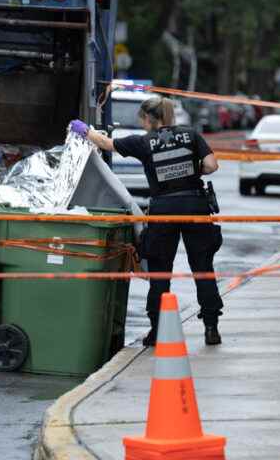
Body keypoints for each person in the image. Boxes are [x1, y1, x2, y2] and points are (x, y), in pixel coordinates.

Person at [69, 97, 224, 346]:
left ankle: (157, 331)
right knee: (203, 269)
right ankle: (211, 328)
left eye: (142, 120)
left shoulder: (144, 142)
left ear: (149, 120)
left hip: (163, 209)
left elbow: (105, 144)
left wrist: (84, 130)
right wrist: (195, 172)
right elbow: (211, 165)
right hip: (195, 206)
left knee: (160, 272)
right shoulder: (191, 135)